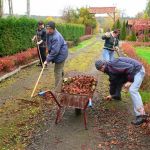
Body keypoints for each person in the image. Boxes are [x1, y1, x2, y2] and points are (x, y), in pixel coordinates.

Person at [95, 57, 147, 125]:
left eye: (101, 68)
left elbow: (130, 68)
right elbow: (113, 80)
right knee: (118, 80)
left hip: (138, 70)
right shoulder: (108, 69)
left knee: (133, 90)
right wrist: (112, 94)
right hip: (132, 71)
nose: (101, 70)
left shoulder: (113, 65)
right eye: (99, 69)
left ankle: (141, 115)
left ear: (104, 64)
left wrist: (130, 81)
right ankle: (117, 96)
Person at [44, 21, 68, 87]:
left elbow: (55, 51)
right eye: (47, 28)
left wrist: (47, 60)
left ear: (53, 29)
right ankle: (64, 81)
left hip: (61, 55)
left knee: (57, 71)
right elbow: (47, 40)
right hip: (59, 52)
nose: (48, 30)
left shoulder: (56, 37)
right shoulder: (49, 33)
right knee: (60, 68)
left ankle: (58, 88)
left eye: (49, 29)